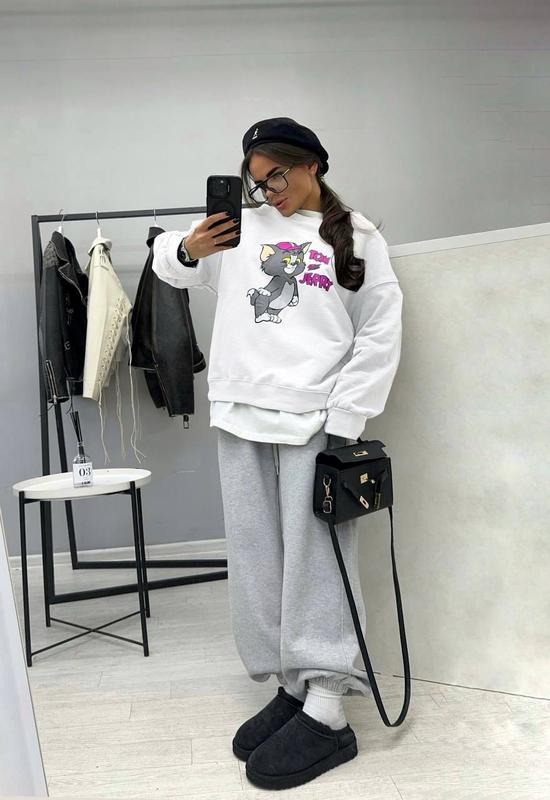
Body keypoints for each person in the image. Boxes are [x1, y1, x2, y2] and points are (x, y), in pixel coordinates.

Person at [152, 117, 403, 790]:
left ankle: (329, 708)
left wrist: (347, 417)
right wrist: (188, 248)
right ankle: (294, 685)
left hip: (315, 422)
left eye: (278, 175)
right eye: (257, 181)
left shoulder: (359, 239)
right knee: (258, 558)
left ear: (313, 164)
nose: (268, 191)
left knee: (319, 561)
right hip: (239, 415)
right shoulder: (239, 228)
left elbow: (380, 330)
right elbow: (168, 267)